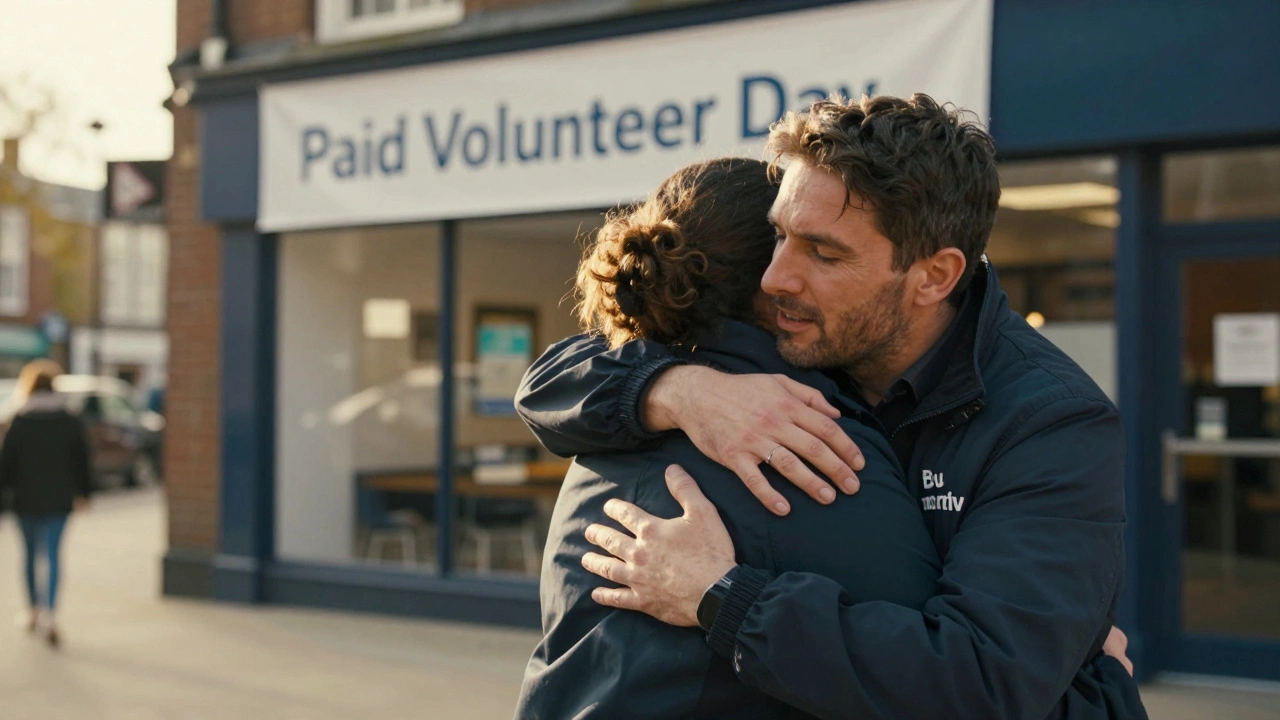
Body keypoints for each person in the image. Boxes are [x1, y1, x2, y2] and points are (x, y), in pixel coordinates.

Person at [517, 95, 1146, 719]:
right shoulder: (805, 344)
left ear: (934, 277)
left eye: (823, 253)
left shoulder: (1048, 425)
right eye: (779, 236)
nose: (774, 278)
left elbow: (984, 680)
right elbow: (558, 372)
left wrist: (720, 594)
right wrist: (676, 390)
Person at [514, 157, 942, 719]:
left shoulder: (607, 428)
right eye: (815, 251)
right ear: (776, 282)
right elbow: (931, 677)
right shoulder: (814, 446)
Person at [0, 360, 93, 647]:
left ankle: (32, 610)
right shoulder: (69, 420)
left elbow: (5, 466)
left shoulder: (20, 420)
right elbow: (82, 460)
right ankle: (50, 613)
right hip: (59, 498)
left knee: (30, 555)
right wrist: (84, 493)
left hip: (26, 499)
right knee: (52, 554)